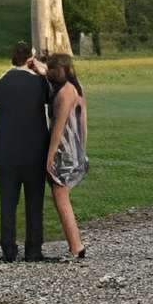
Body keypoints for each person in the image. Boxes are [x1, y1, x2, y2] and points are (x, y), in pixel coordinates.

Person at [0, 41, 55, 262]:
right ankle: (33, 249)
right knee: (34, 203)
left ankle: (8, 250)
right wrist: (42, 71)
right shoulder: (40, 84)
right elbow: (51, 96)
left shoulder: (1, 84)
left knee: (8, 203)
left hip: (6, 153)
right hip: (34, 152)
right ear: (30, 59)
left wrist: (7, 73)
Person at [42, 50, 90, 264]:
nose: (49, 72)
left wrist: (50, 156)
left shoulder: (63, 94)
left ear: (59, 70)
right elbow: (83, 124)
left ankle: (76, 246)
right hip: (76, 149)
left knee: (60, 198)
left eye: (52, 69)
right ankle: (75, 245)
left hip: (64, 151)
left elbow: (58, 127)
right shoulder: (76, 88)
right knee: (61, 197)